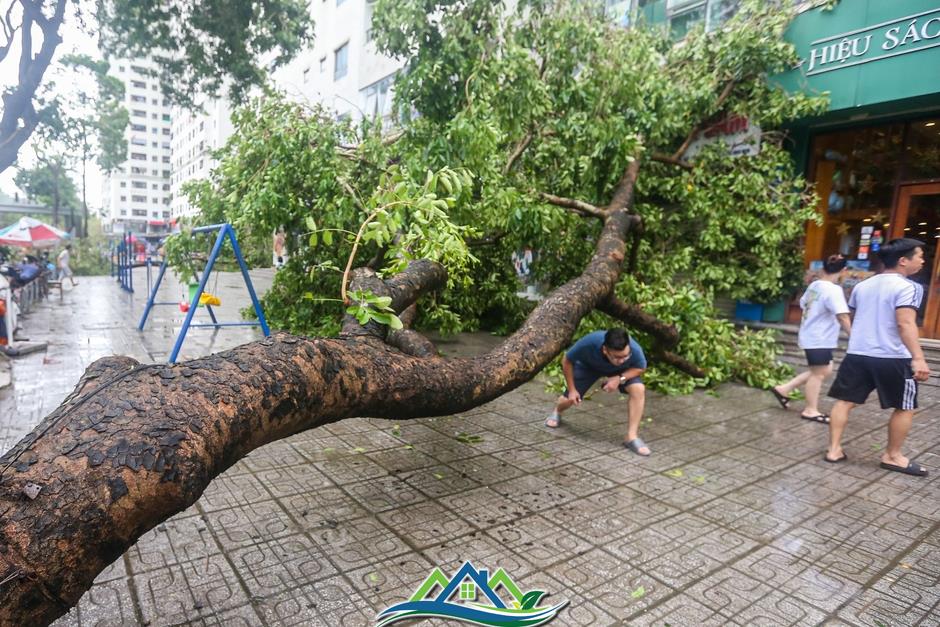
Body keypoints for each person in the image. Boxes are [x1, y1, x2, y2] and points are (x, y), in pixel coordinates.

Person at [825, 238, 931, 475]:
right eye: (920, 255)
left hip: (858, 354)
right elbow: (905, 323)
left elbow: (852, 316)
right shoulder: (910, 287)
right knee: (904, 407)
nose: (923, 260)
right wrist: (919, 358)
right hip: (892, 357)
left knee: (844, 402)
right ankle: (893, 456)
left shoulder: (863, 286)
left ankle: (833, 450)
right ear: (903, 261)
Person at [770, 254, 851, 423]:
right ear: (844, 271)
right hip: (819, 338)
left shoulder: (815, 285)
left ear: (823, 267)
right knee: (818, 374)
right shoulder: (833, 290)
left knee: (825, 370)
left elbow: (802, 303)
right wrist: (854, 336)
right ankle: (810, 410)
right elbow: (842, 316)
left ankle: (783, 389)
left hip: (812, 335)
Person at [545, 328, 650, 455]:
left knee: (638, 389)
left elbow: (640, 367)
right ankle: (557, 410)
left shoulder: (634, 349)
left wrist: (619, 378)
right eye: (618, 357)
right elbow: (567, 360)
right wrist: (572, 390)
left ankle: (631, 436)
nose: (622, 359)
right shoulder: (590, 342)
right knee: (569, 399)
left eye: (626, 356)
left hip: (620, 372)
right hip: (589, 367)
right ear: (605, 350)